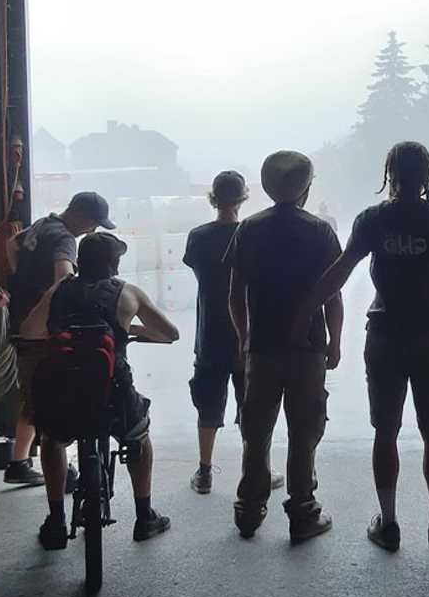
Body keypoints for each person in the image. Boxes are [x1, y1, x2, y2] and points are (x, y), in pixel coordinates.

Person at [296, 141, 429, 553]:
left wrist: (303, 311)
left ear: (389, 174)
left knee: (385, 432)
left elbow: (339, 272)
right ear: (428, 174)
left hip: (385, 336)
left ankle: (389, 524)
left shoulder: (372, 219)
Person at [18, 232, 181, 550]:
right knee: (139, 436)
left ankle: (55, 521)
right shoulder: (128, 293)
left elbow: (29, 331)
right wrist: (130, 329)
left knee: (52, 440)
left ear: (79, 263)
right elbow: (170, 333)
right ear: (114, 263)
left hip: (64, 389)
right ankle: (144, 515)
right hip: (114, 390)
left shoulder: (59, 291)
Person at [227, 150, 343, 542]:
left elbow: (235, 294)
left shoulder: (249, 229)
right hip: (307, 347)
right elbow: (334, 295)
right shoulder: (320, 231)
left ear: (265, 186)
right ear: (307, 187)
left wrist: (245, 339)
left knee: (256, 430)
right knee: (304, 430)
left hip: (262, 347)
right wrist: (336, 341)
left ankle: (249, 509)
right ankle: (302, 511)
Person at [3, 191, 115, 486]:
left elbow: (10, 244)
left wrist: (20, 280)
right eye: (92, 224)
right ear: (79, 215)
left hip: (21, 318)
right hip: (43, 327)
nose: (91, 231)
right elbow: (64, 279)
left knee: (32, 393)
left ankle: (18, 462)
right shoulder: (65, 238)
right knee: (54, 397)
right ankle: (60, 472)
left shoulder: (43, 224)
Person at [183, 171, 284, 494]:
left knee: (208, 407)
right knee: (252, 408)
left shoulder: (197, 237)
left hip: (209, 335)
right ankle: (256, 470)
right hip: (248, 334)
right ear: (243, 198)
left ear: (213, 197)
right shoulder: (253, 235)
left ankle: (204, 472)